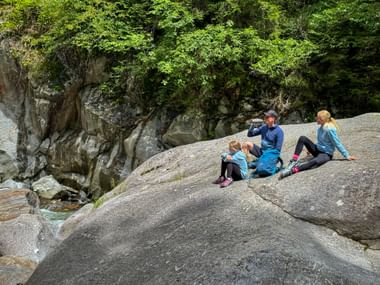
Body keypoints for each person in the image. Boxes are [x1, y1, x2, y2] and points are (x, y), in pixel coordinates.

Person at [279, 110, 357, 179]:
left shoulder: (329, 129)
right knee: (302, 138)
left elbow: (337, 143)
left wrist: (346, 155)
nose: (316, 118)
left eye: (318, 117)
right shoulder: (320, 128)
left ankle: (293, 170)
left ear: (322, 119)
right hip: (317, 150)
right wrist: (312, 148)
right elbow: (321, 142)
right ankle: (294, 161)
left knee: (315, 161)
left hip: (326, 154)